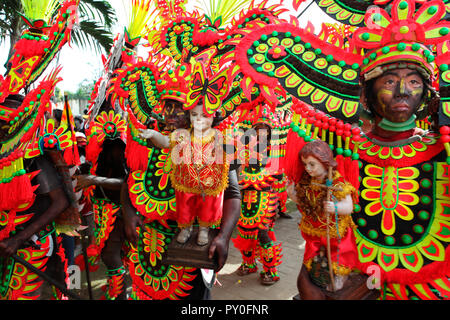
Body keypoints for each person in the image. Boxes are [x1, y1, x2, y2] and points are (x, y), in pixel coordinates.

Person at [290, 139, 358, 298]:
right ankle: (316, 274)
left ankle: (339, 277)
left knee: (337, 255)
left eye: (312, 164)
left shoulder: (337, 181)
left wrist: (335, 208)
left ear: (325, 161)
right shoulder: (308, 181)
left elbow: (349, 206)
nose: (307, 169)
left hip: (333, 231)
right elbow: (303, 200)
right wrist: (291, 194)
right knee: (314, 254)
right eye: (305, 164)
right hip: (314, 229)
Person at [232, 108, 283, 285]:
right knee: (245, 232)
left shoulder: (274, 149)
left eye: (265, 129)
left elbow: (278, 175)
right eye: (258, 128)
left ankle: (270, 271)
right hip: (245, 196)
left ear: (269, 131)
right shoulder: (245, 147)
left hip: (264, 197)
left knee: (263, 233)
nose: (261, 132)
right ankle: (249, 264)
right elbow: (235, 168)